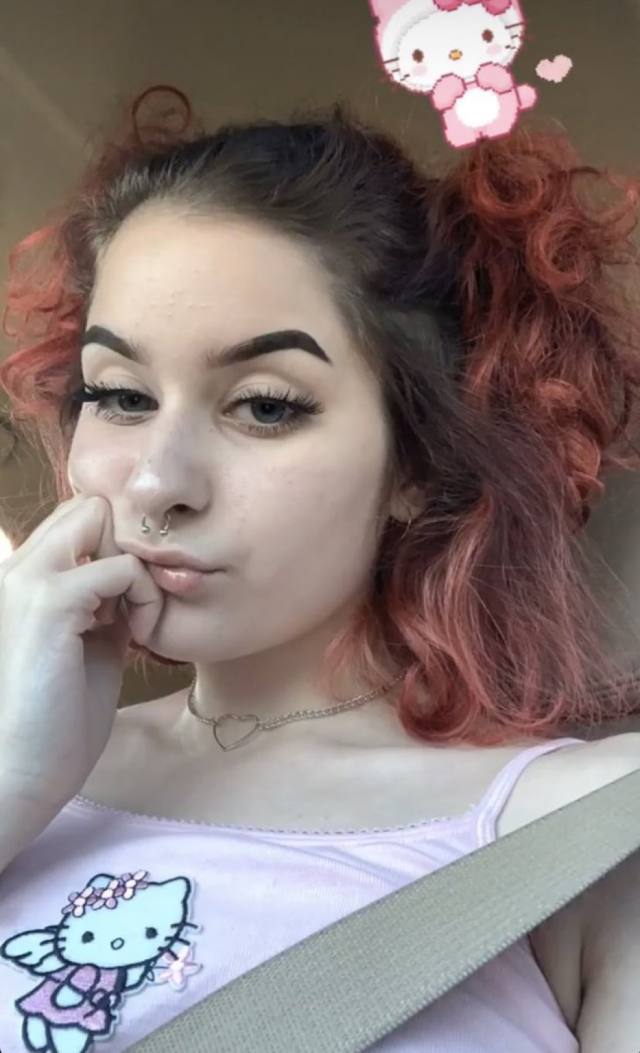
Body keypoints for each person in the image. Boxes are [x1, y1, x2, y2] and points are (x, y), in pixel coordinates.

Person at [0, 84, 639, 1052]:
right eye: (120, 395)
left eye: (265, 405)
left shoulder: (587, 826)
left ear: (417, 464)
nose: (158, 483)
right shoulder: (26, 770)